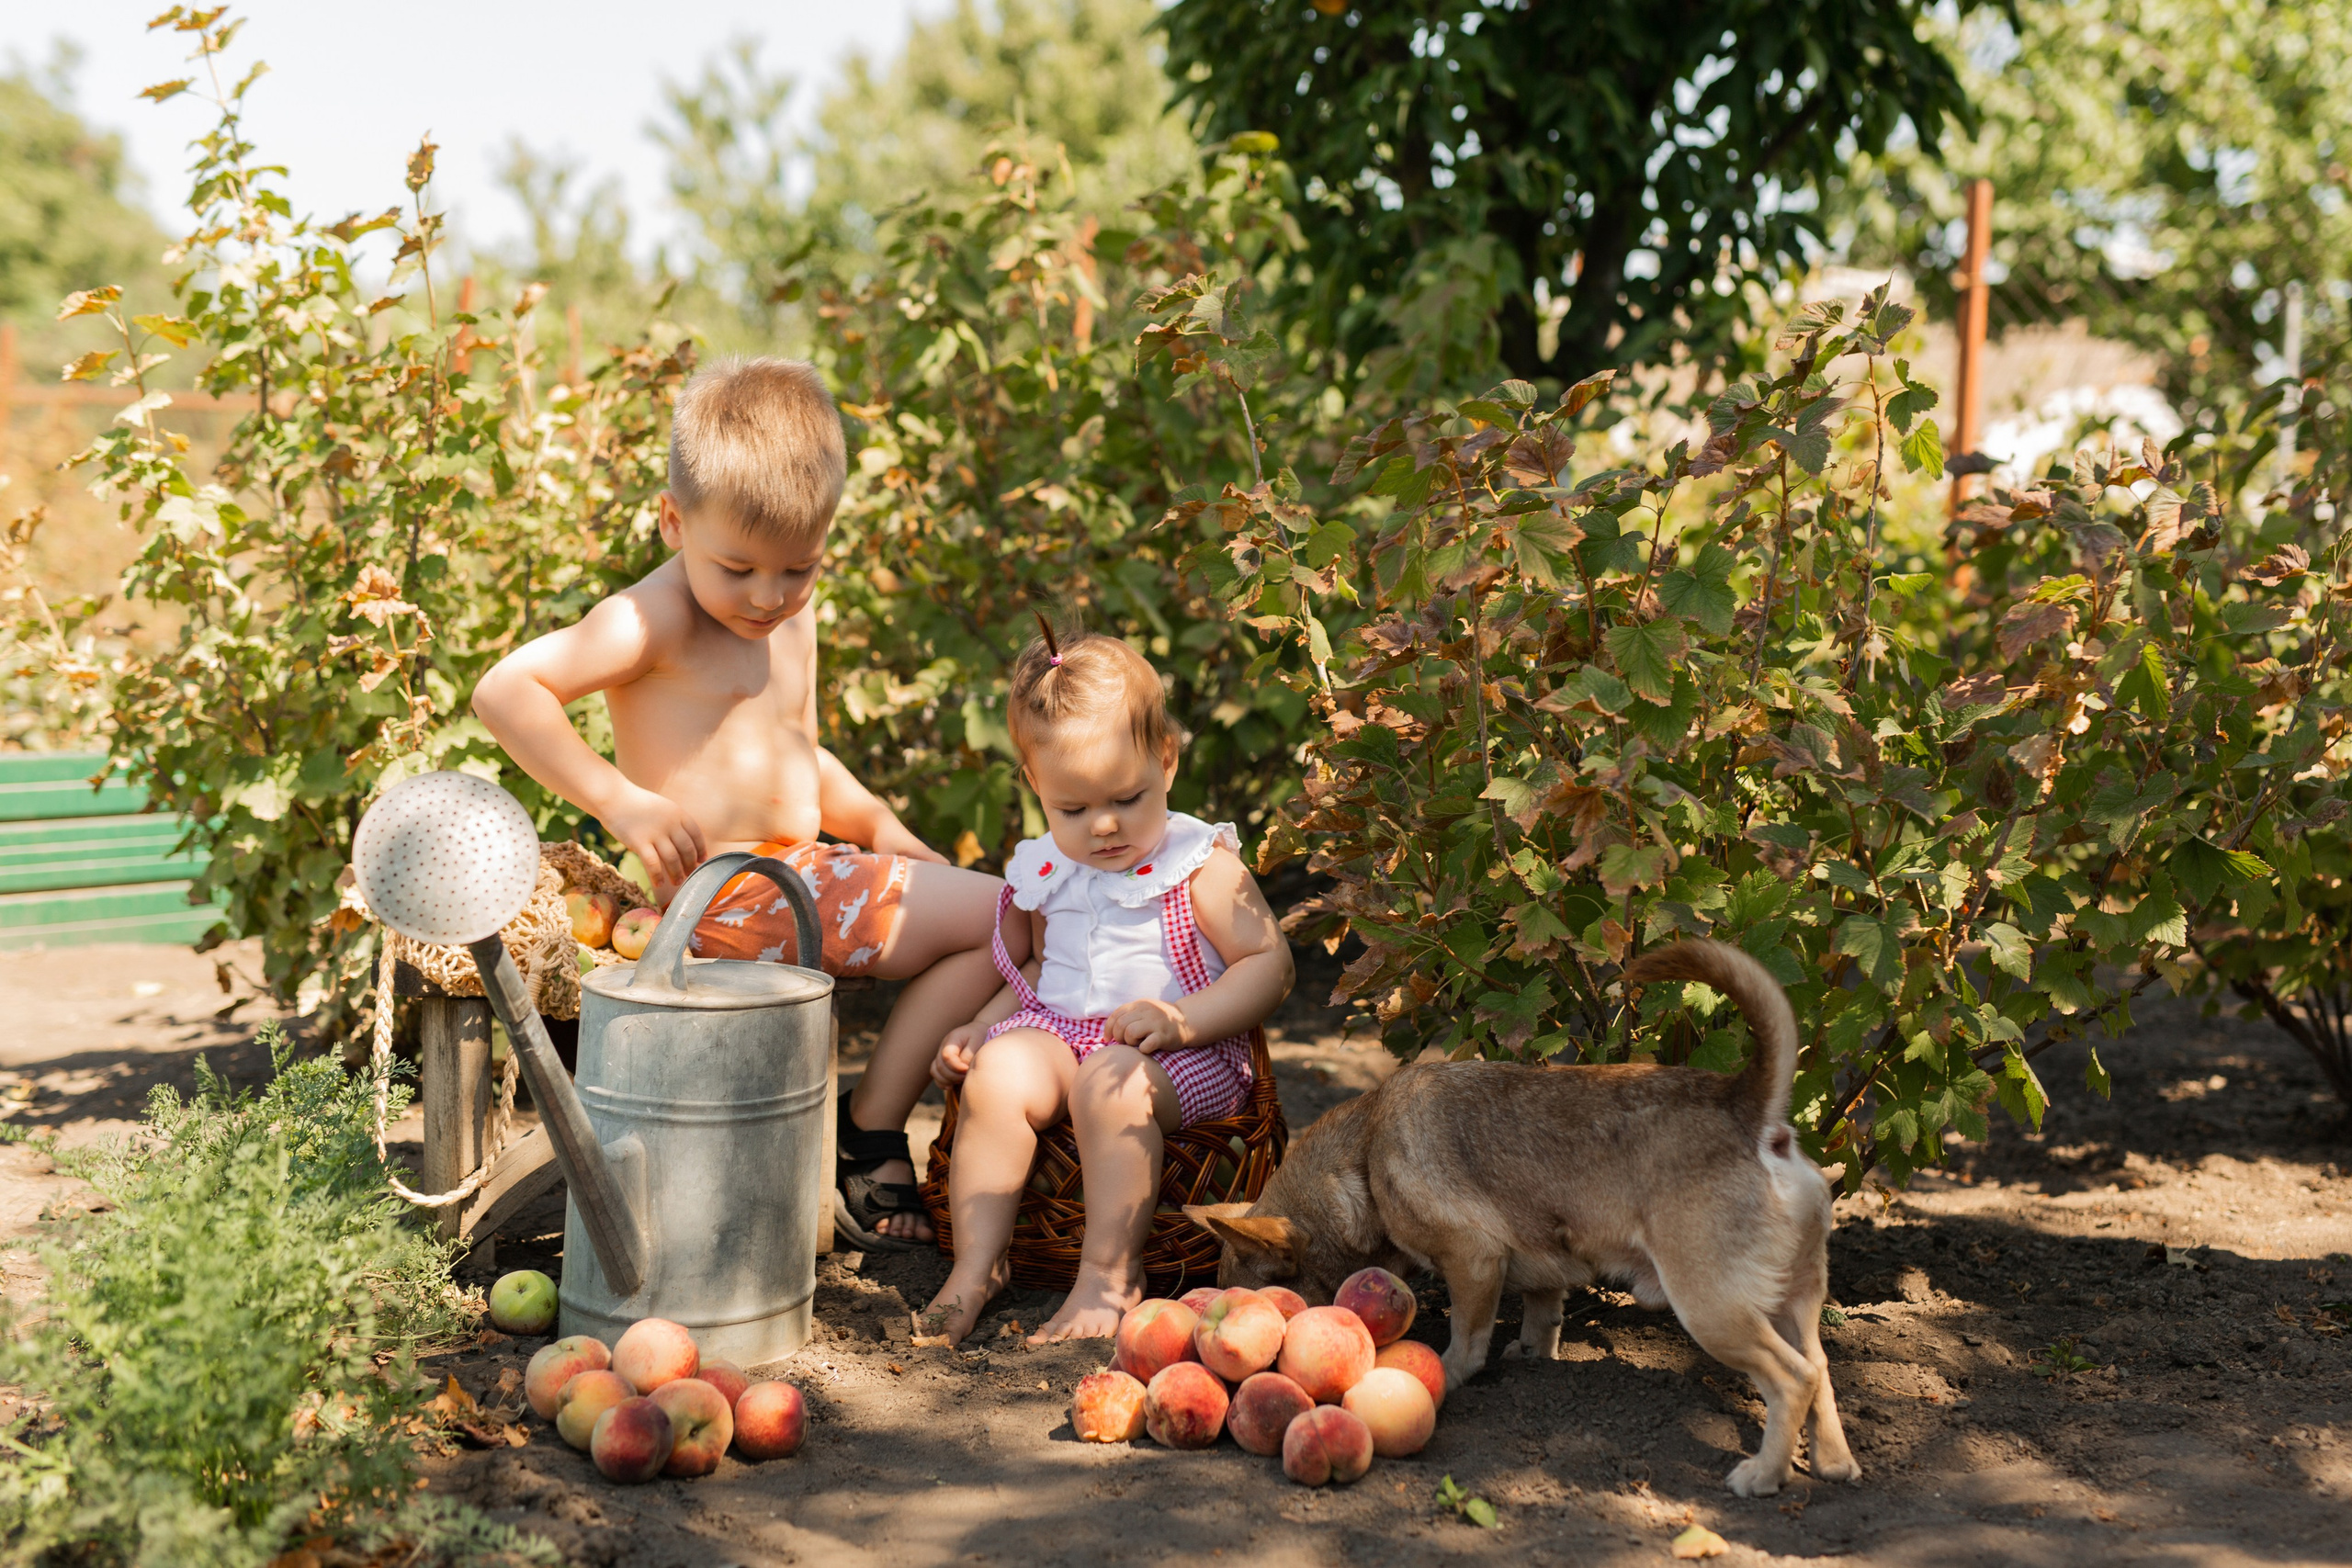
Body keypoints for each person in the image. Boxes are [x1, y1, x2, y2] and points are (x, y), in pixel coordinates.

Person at [471, 356, 1017, 1248]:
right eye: (738, 568)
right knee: (1010, 917)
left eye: (799, 567)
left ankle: (870, 1121)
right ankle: (871, 1130)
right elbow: (505, 690)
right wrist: (621, 802)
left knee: (1013, 916)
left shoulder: (787, 614)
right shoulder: (653, 619)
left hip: (802, 877)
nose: (768, 596)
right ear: (673, 520)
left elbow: (796, 752)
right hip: (724, 897)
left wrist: (883, 829)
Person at [921, 621, 1294, 1344]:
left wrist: (1182, 1019)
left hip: (1180, 1052)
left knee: (1108, 1081)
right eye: (1073, 808)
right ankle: (976, 1265)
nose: (1102, 826)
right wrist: (983, 1026)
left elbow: (1270, 965)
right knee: (997, 1072)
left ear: (1167, 760)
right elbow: (1040, 971)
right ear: (1036, 786)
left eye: (1126, 797)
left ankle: (1110, 1275)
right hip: (1067, 1034)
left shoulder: (1199, 864)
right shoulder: (1051, 868)